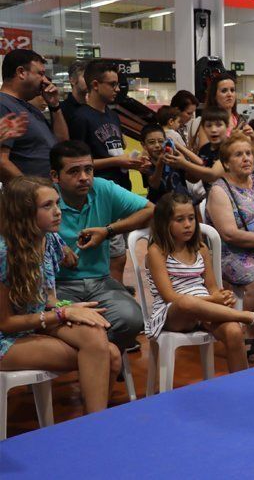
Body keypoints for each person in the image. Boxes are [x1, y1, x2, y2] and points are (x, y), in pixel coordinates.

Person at [0, 176, 121, 413]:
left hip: (33, 323)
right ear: (23, 213)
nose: (58, 212)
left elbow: (45, 298)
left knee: (99, 340)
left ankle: (95, 424)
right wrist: (63, 313)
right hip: (6, 337)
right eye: (47, 206)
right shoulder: (4, 252)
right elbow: (5, 323)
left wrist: (69, 308)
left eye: (57, 203)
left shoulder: (50, 238)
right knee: (109, 356)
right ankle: (97, 427)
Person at [146, 193, 254, 373]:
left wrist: (221, 296)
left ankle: (243, 388)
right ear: (164, 223)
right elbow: (169, 296)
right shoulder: (157, 251)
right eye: (179, 220)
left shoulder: (200, 248)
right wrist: (213, 300)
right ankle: (249, 317)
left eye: (191, 218)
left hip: (203, 310)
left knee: (233, 331)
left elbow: (212, 288)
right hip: (172, 312)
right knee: (185, 302)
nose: (188, 225)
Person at [50, 140, 150, 351]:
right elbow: (15, 235)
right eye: (74, 171)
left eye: (88, 169)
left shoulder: (103, 188)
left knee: (133, 320)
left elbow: (152, 211)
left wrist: (108, 231)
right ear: (55, 176)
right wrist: (55, 246)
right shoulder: (44, 198)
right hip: (56, 287)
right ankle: (100, 359)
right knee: (71, 326)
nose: (84, 177)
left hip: (100, 282)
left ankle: (101, 358)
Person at [204, 132, 254, 363]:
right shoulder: (220, 190)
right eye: (238, 155)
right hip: (233, 252)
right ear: (226, 163)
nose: (246, 158)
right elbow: (229, 234)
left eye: (248, 153)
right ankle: (250, 334)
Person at [68, 60, 141, 284]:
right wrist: (115, 161)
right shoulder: (81, 117)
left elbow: (114, 149)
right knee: (112, 256)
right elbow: (78, 163)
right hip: (99, 193)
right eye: (112, 84)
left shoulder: (111, 114)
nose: (117, 89)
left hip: (120, 187)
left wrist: (130, 162)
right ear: (96, 85)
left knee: (119, 256)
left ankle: (115, 294)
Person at [0, 49, 68, 182]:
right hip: (29, 197)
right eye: (40, 74)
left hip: (48, 193)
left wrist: (55, 106)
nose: (44, 81)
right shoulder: (3, 105)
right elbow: (2, 161)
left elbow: (63, 144)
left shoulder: (30, 108)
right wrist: (34, 190)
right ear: (21, 72)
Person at [194, 74, 240, 149]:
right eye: (224, 91)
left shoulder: (240, 120)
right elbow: (206, 155)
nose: (229, 94)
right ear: (214, 96)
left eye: (232, 90)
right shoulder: (208, 122)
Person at [60, 60, 88, 128]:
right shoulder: (62, 109)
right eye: (85, 77)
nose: (89, 80)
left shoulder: (93, 106)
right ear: (72, 80)